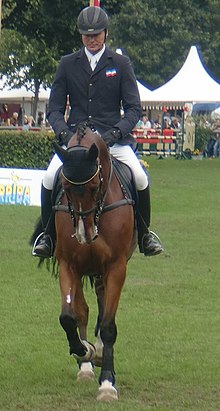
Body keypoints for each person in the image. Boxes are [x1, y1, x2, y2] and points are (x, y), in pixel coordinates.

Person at [33, 6, 163, 258]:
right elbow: (55, 109)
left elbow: (134, 109)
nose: (92, 40)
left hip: (113, 141)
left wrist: (115, 133)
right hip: (77, 145)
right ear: (81, 36)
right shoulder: (68, 64)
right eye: (86, 35)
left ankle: (146, 235)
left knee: (140, 177)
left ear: (106, 33)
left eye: (96, 35)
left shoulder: (121, 64)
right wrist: (64, 134)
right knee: (49, 179)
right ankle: (47, 237)